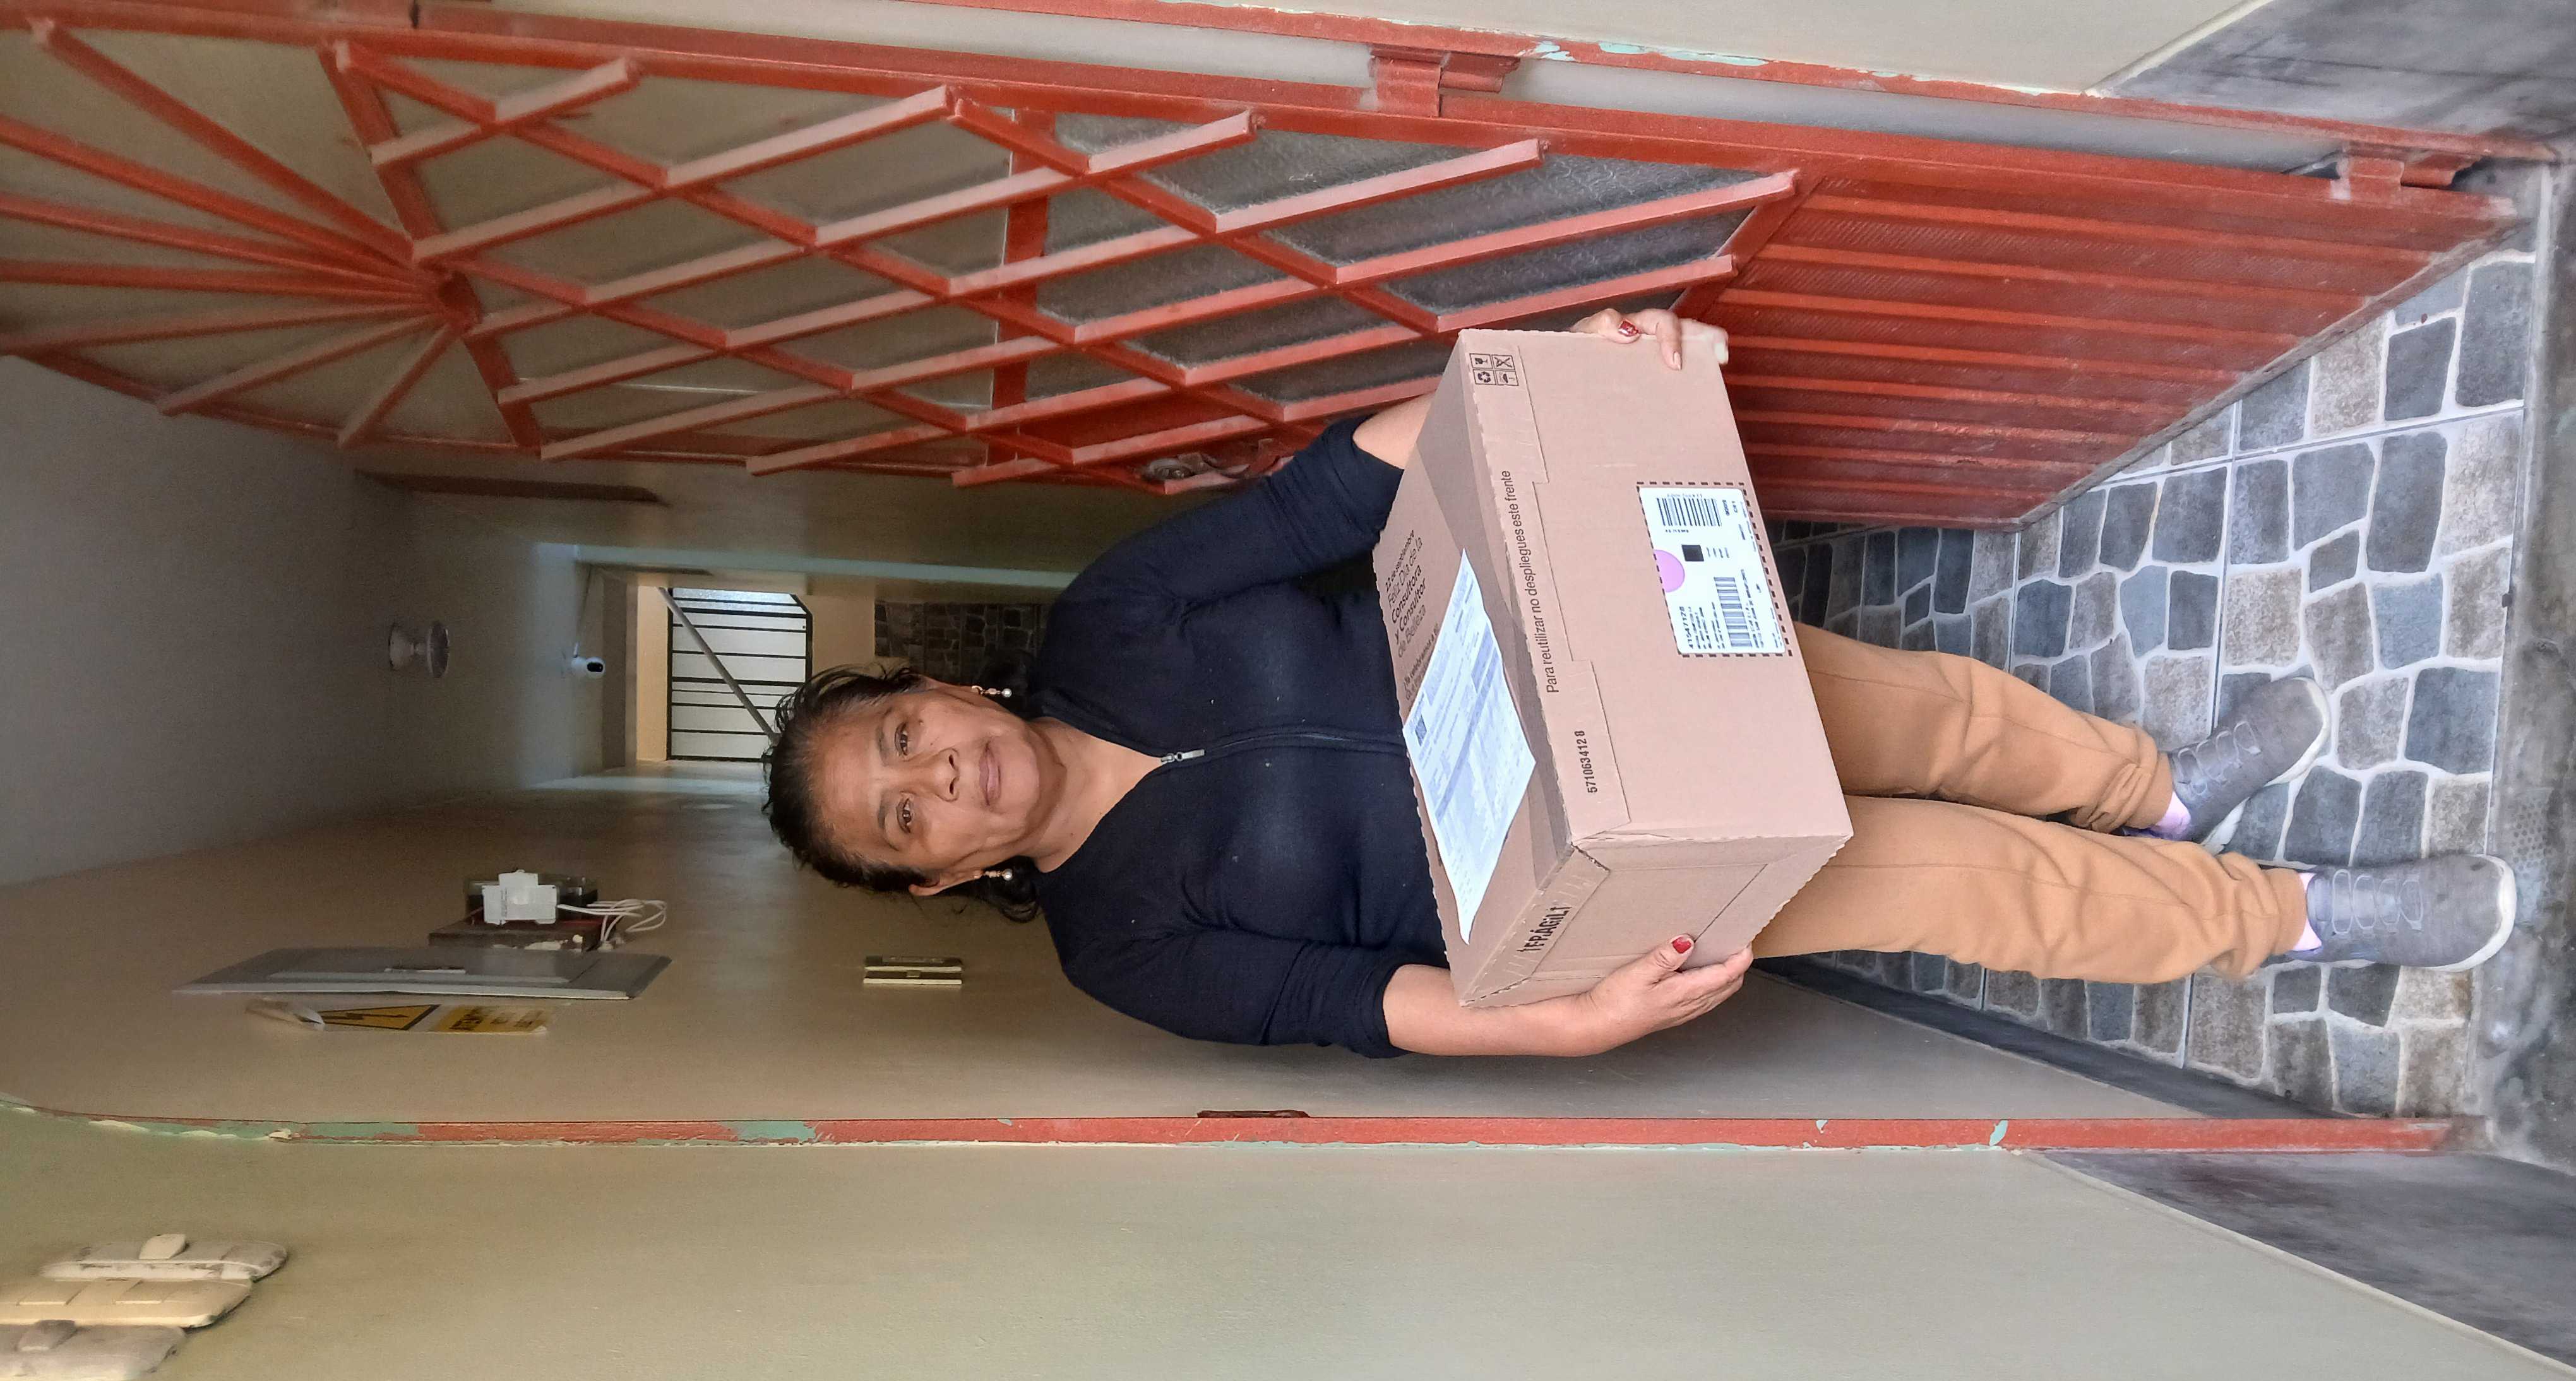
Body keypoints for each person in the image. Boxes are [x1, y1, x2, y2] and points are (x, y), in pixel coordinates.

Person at [761, 308, 2517, 1058]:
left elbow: (1329, 497)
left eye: (906, 738)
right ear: (935, 880)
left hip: (1618, 671)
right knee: (1966, 880)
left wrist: (1545, 388)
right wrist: (1567, 1023)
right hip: (1615, 869)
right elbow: (1353, 1005)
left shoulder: (1116, 614)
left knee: (1929, 712)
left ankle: (2159, 787)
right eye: (904, 817)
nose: (942, 776)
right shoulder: (1118, 946)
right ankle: (2291, 917)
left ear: (934, 691)